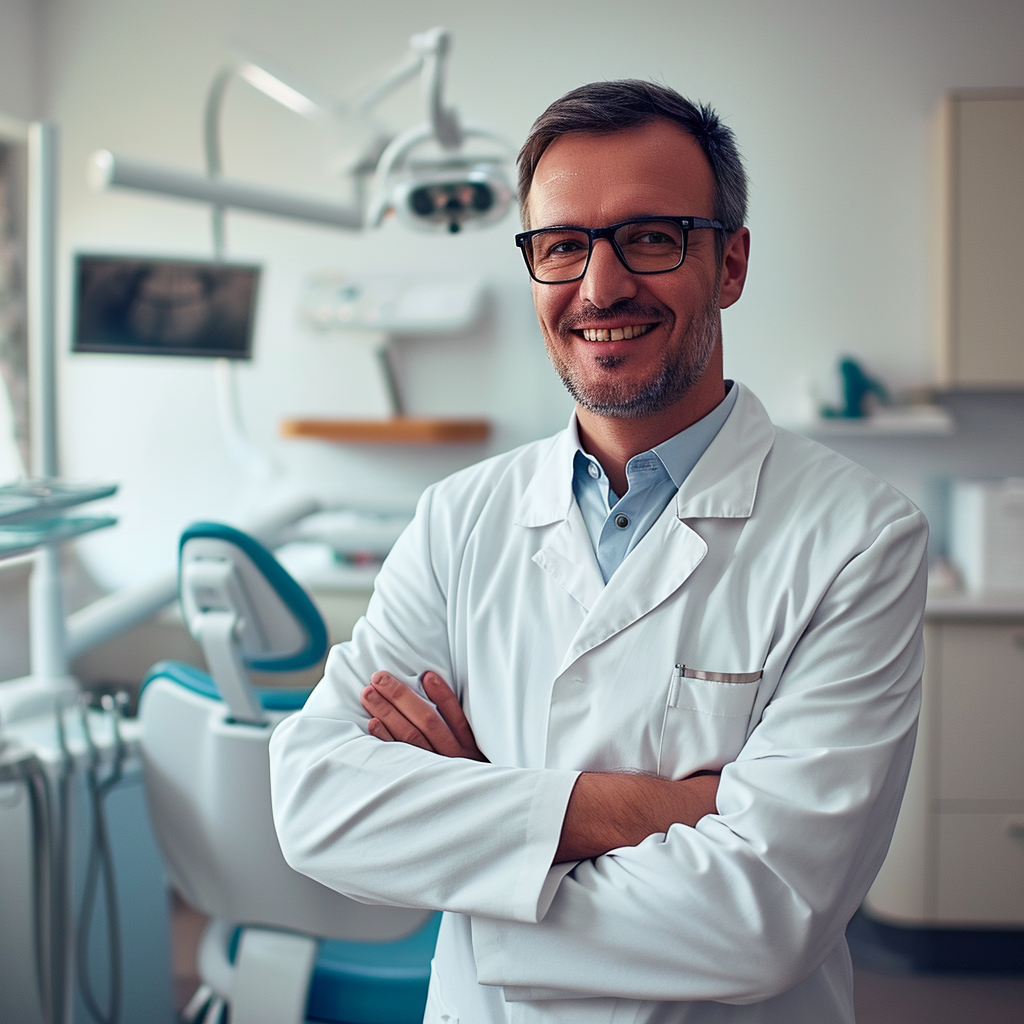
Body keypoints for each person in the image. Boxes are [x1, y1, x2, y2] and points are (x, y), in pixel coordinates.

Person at [269, 80, 928, 1024]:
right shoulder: (459, 519)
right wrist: (656, 810)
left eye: (651, 238)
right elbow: (319, 803)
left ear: (731, 263)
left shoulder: (859, 539)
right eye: (562, 245)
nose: (601, 285)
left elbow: (767, 915)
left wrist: (475, 851)